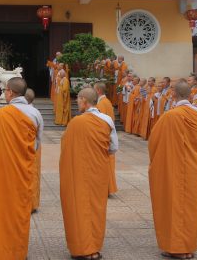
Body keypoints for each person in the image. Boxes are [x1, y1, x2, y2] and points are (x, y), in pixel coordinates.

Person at [0, 77, 43, 260]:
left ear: (9, 92)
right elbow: (37, 145)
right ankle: (17, 251)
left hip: (1, 171)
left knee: (0, 208)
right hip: (23, 171)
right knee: (19, 209)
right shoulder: (35, 114)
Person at [61, 87, 118, 260]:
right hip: (98, 172)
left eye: (78, 99)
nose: (77, 102)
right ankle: (94, 247)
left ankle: (82, 248)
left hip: (78, 173)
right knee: (96, 208)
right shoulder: (107, 120)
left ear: (84, 100)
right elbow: (113, 148)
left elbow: (66, 147)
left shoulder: (76, 123)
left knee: (79, 208)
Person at [148, 80, 197, 260]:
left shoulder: (170, 116)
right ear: (191, 95)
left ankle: (177, 248)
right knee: (189, 207)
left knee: (174, 206)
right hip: (193, 167)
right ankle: (188, 247)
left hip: (174, 167)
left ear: (173, 95)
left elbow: (154, 143)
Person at [94, 82, 119, 195]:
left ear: (98, 91)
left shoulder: (102, 104)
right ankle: (108, 187)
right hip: (108, 137)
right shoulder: (106, 102)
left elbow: (101, 123)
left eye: (94, 89)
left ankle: (106, 187)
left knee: (105, 164)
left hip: (104, 138)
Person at [24, 88, 41, 213]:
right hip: (33, 148)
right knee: (33, 176)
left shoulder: (12, 111)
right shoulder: (36, 113)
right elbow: (39, 135)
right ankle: (32, 203)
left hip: (17, 149)